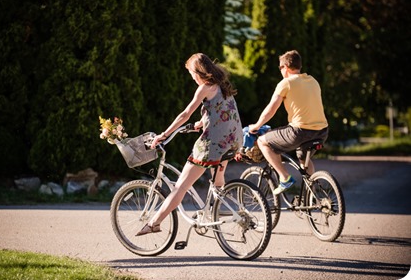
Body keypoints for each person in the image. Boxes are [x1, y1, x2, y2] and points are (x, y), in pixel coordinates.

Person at [136, 53, 243, 236]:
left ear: (198, 71)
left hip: (215, 144)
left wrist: (164, 134)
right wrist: (201, 123)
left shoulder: (204, 87)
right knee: (218, 184)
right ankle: (229, 212)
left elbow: (185, 114)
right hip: (233, 140)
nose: (192, 77)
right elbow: (220, 109)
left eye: (192, 73)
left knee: (181, 186)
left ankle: (155, 222)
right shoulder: (222, 85)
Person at [249, 50, 328, 195]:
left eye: (280, 68)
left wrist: (256, 126)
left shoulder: (286, 83)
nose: (280, 71)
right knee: (304, 157)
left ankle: (284, 177)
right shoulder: (313, 81)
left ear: (285, 67)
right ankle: (312, 195)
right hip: (322, 131)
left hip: (299, 131)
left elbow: (271, 110)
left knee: (262, 141)